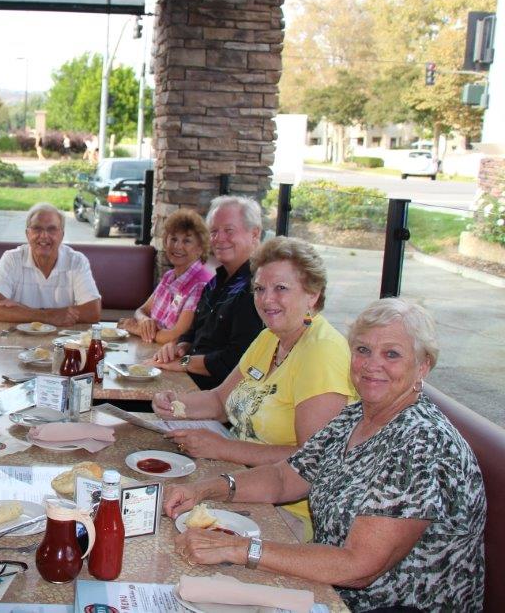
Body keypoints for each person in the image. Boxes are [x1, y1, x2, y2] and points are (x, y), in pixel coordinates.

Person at [164, 298, 486, 612]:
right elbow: (284, 477)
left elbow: (359, 566)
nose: (372, 365)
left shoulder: (422, 444)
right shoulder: (357, 415)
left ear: (423, 366)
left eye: (391, 354)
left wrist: (238, 548)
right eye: (363, 350)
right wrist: (205, 488)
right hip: (326, 588)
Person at [152, 237, 357, 540]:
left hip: (288, 513)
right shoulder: (270, 338)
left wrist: (222, 447)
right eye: (260, 289)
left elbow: (311, 457)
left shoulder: (322, 353)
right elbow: (221, 400)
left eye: (281, 288)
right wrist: (175, 403)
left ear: (312, 295)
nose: (266, 299)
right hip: (235, 478)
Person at [153, 195, 265, 390]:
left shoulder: (256, 289)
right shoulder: (214, 283)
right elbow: (194, 331)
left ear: (254, 234)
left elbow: (236, 360)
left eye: (229, 230)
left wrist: (184, 362)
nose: (219, 239)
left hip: (218, 400)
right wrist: (181, 346)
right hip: (187, 383)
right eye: (214, 231)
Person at [0, 202, 101, 327]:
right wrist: (47, 316)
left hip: (62, 340)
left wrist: (23, 310)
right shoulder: (12, 259)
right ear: (27, 234)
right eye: (37, 228)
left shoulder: (76, 261)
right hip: (19, 340)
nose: (44, 236)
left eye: (52, 229)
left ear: (62, 235)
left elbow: (92, 311)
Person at [119, 209, 214, 344]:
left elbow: (176, 336)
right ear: (165, 242)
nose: (178, 246)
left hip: (171, 359)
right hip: (150, 351)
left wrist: (137, 329)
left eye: (187, 241)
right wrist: (145, 321)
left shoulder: (201, 284)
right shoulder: (169, 276)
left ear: (200, 248)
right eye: (173, 239)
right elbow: (142, 310)